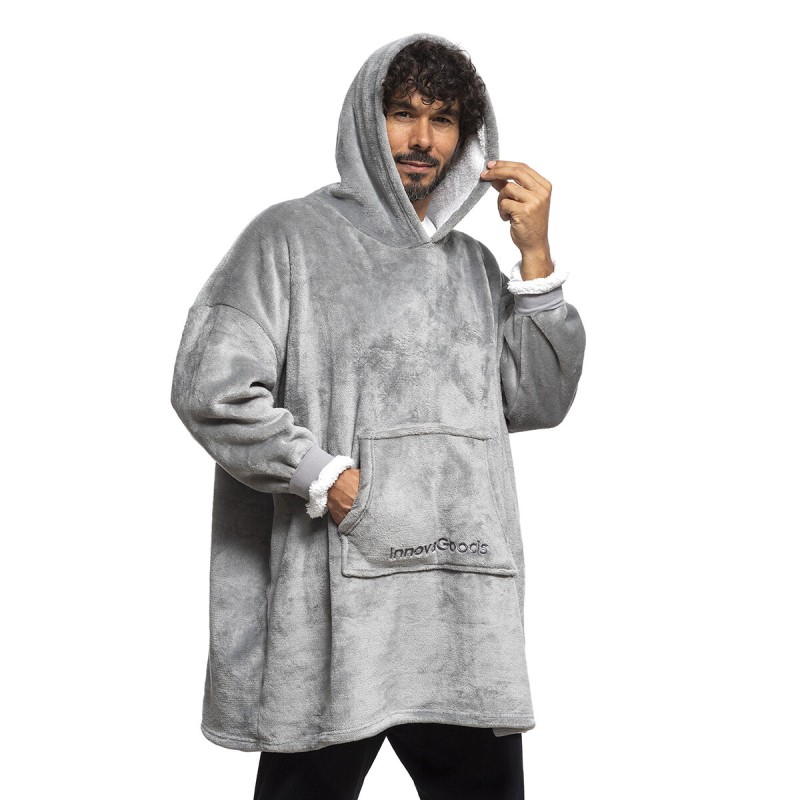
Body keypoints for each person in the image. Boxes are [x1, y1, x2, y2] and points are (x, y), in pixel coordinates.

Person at [171, 33, 586, 800]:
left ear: (467, 137)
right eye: (403, 113)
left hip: (460, 602)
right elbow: (210, 386)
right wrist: (324, 476)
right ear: (367, 119)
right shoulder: (288, 238)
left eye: (443, 118)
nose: (422, 138)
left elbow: (537, 400)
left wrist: (535, 260)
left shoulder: (472, 267)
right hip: (335, 606)